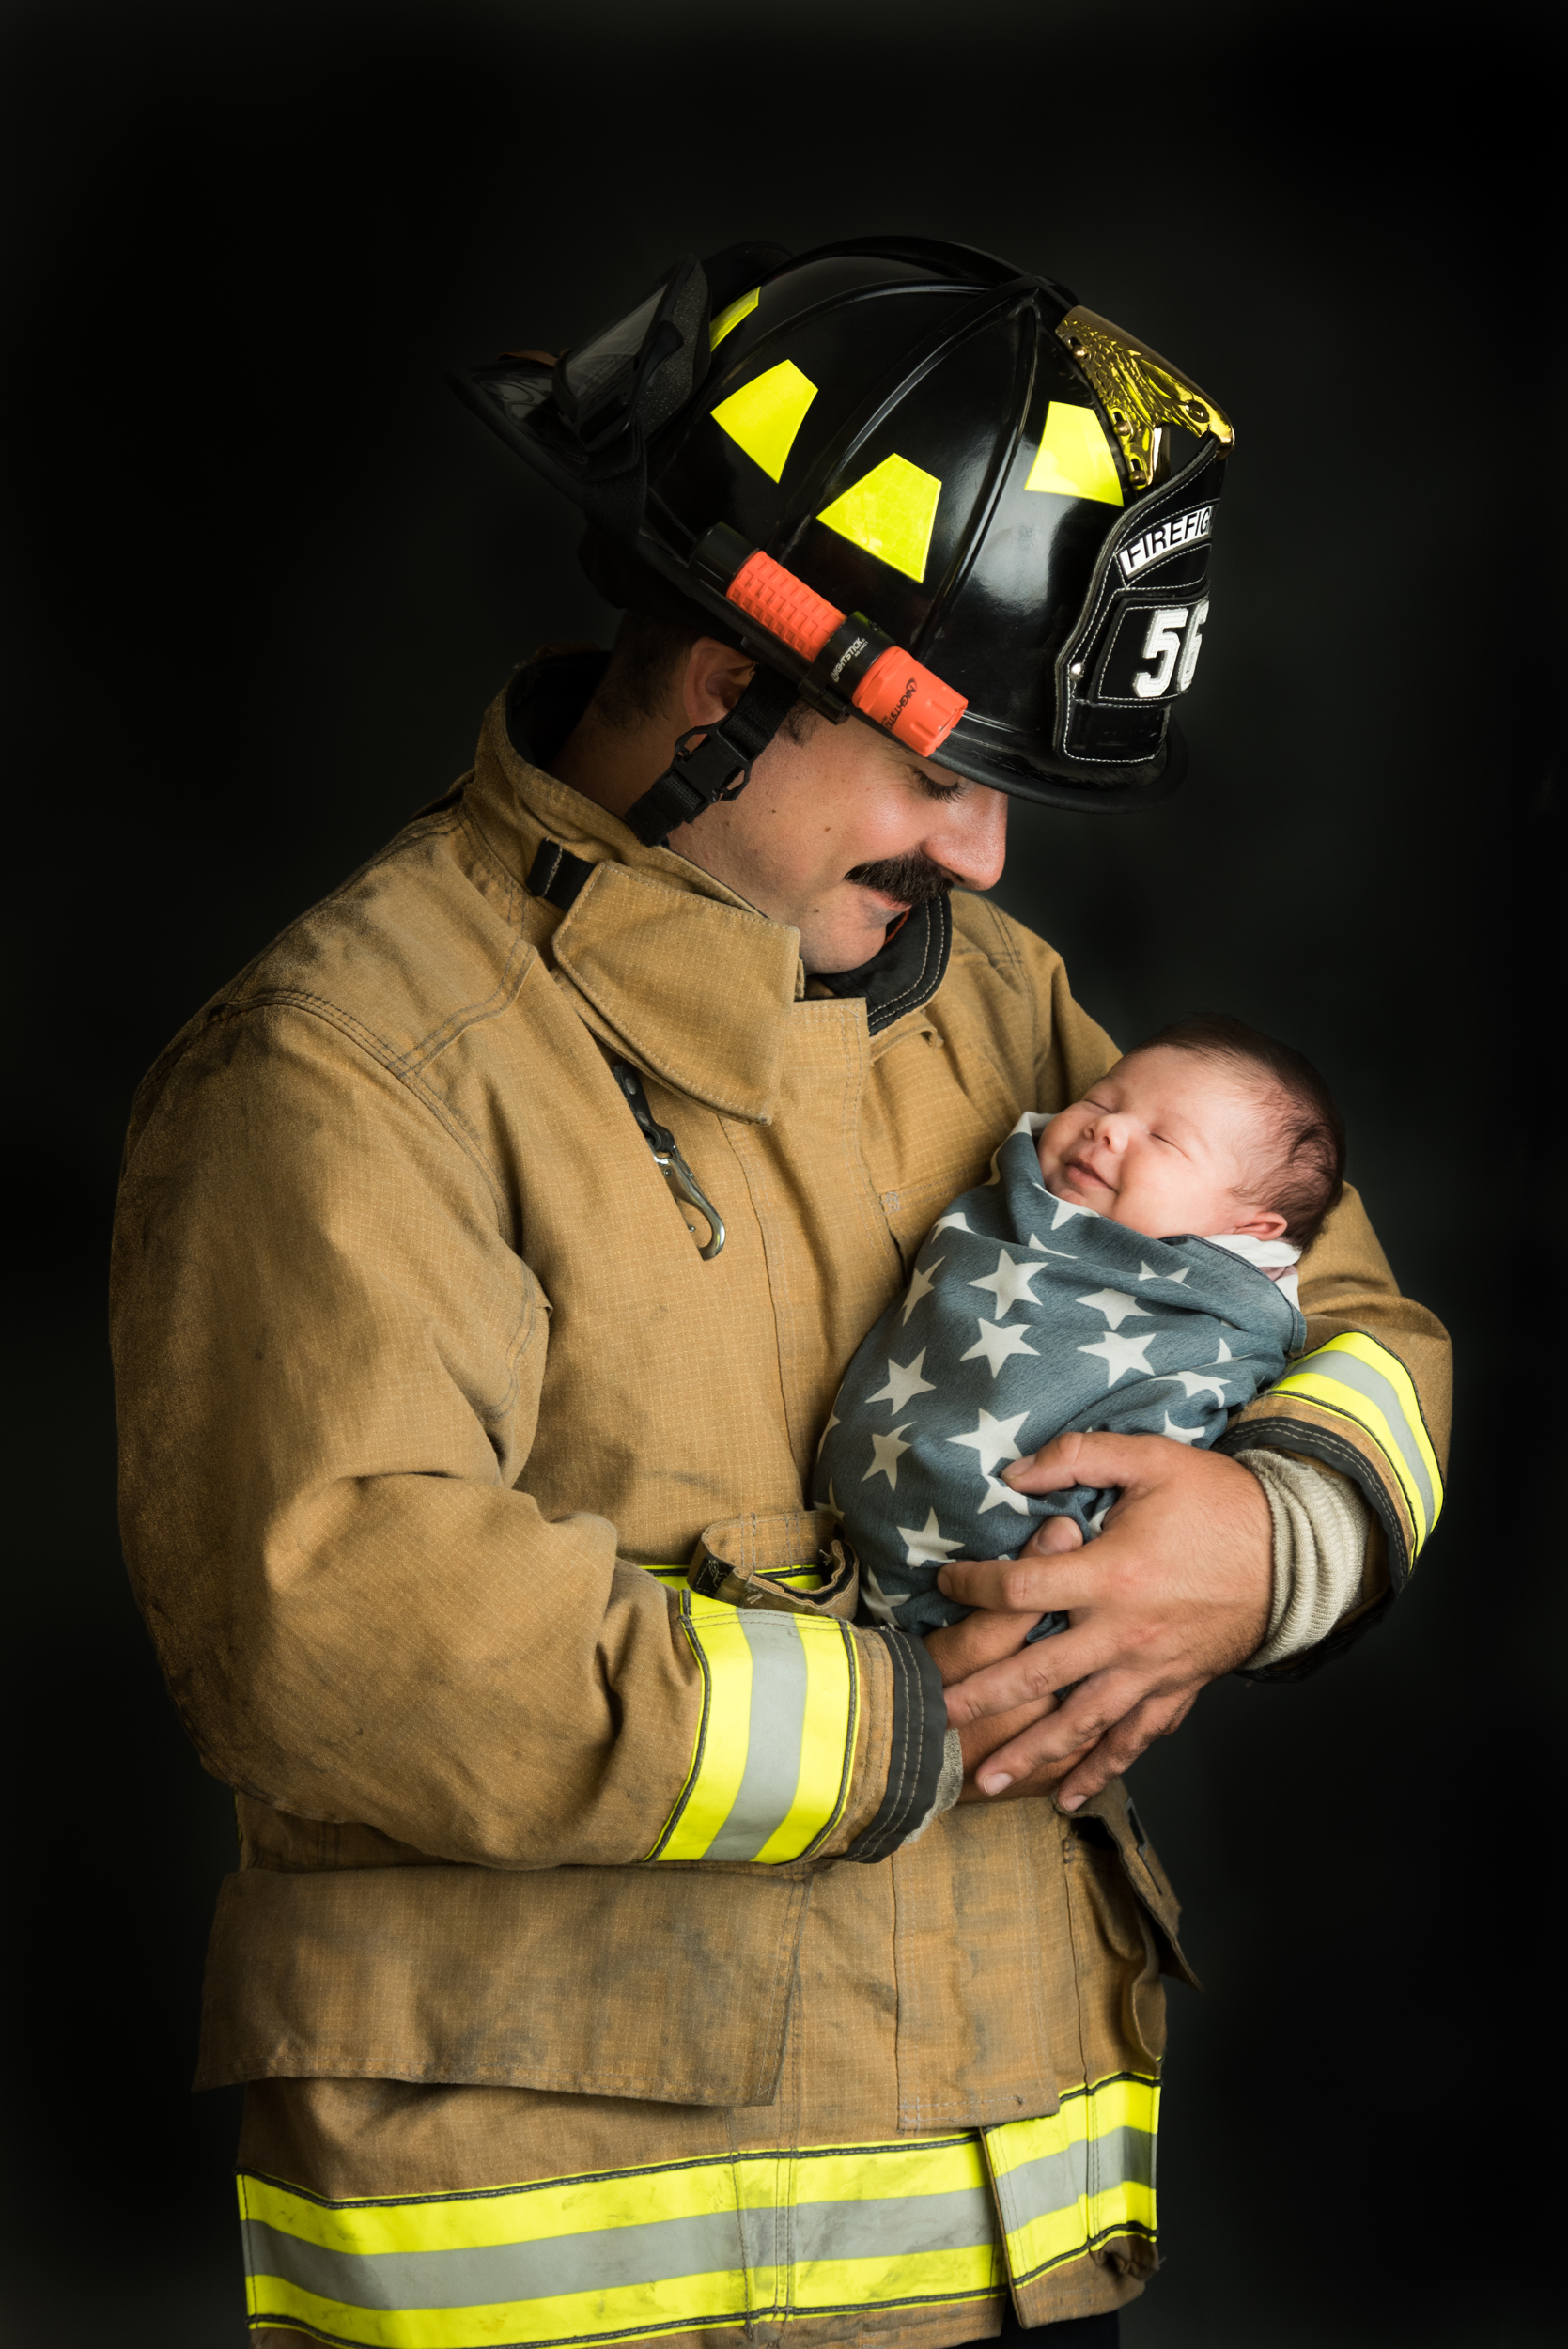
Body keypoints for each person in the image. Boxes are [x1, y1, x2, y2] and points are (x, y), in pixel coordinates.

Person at [110, 237, 1451, 2344]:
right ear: (738, 683)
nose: (989, 861)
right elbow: (337, 1623)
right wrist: (907, 1717)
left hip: (1013, 2245)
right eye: (945, 775)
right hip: (584, 2279)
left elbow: (1337, 1294)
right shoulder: (352, 1065)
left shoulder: (989, 1006)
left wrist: (1265, 1538)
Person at [819, 1019, 1354, 1672]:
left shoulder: (1216, 1324)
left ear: (1250, 1230)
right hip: (825, 1577)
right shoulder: (1011, 1207)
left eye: (1162, 1138)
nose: (1107, 1127)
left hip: (1029, 1602)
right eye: (1101, 1101)